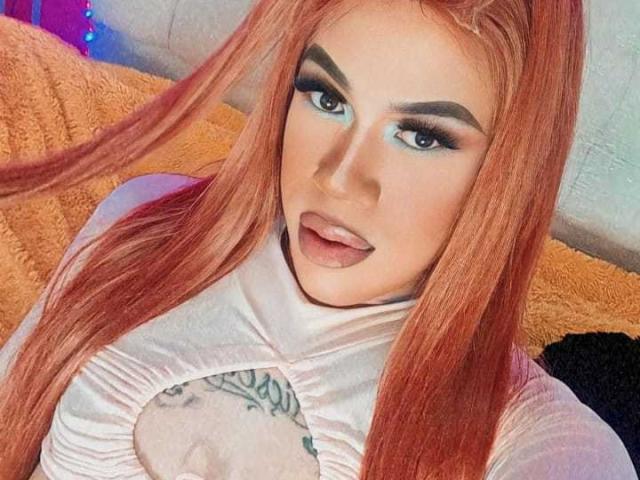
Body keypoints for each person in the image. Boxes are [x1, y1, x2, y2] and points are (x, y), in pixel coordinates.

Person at [0, 0, 636, 479]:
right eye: (327, 98)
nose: (338, 178)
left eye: (422, 136)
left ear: (505, 174)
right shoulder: (145, 224)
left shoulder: (538, 443)